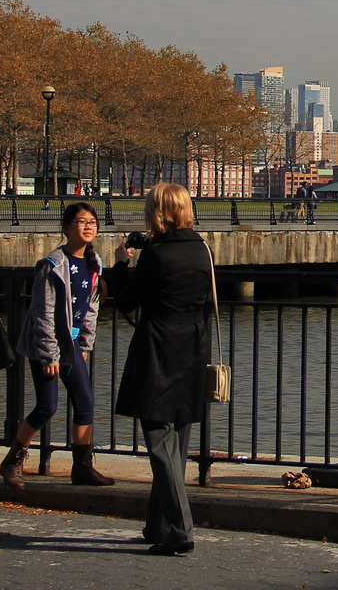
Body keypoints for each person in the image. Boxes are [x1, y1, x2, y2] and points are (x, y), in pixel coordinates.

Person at [107, 182, 212, 556]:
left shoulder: (157, 255)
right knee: (177, 438)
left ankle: (181, 528)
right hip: (193, 348)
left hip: (159, 347)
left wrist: (121, 264)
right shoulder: (201, 249)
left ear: (159, 212)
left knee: (157, 437)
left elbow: (127, 301)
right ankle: (158, 525)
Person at [0, 202, 114, 489]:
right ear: (65, 228)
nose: (88, 226)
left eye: (92, 222)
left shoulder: (94, 263)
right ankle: (13, 460)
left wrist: (85, 345)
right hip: (45, 343)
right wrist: (49, 353)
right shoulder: (52, 265)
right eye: (80, 221)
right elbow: (43, 312)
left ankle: (82, 467)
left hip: (73, 342)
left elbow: (92, 309)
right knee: (47, 407)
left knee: (85, 404)